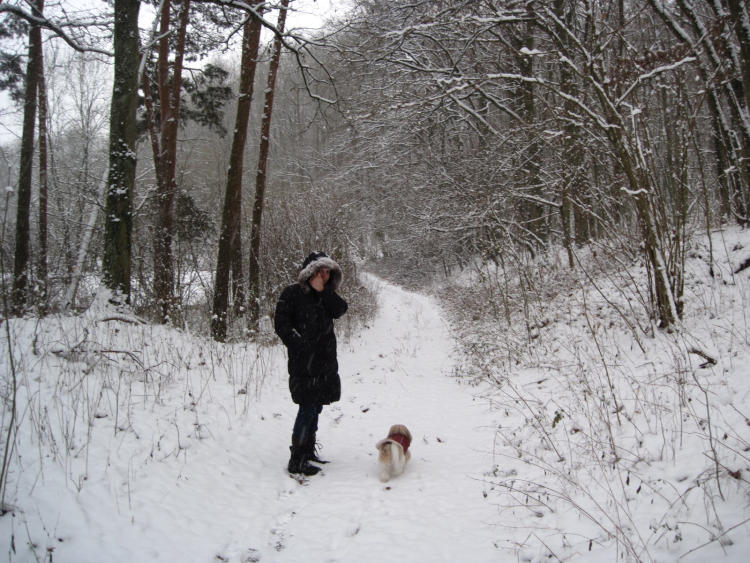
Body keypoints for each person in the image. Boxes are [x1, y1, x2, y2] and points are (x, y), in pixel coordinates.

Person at [274, 251, 348, 476]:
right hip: (303, 363)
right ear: (310, 272)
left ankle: (308, 451)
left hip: (324, 363)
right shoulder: (292, 293)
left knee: (316, 407)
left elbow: (340, 309)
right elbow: (281, 324)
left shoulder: (326, 295)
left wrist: (324, 291)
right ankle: (297, 459)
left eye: (328, 272)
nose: (325, 276)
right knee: (306, 407)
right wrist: (300, 345)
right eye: (320, 272)